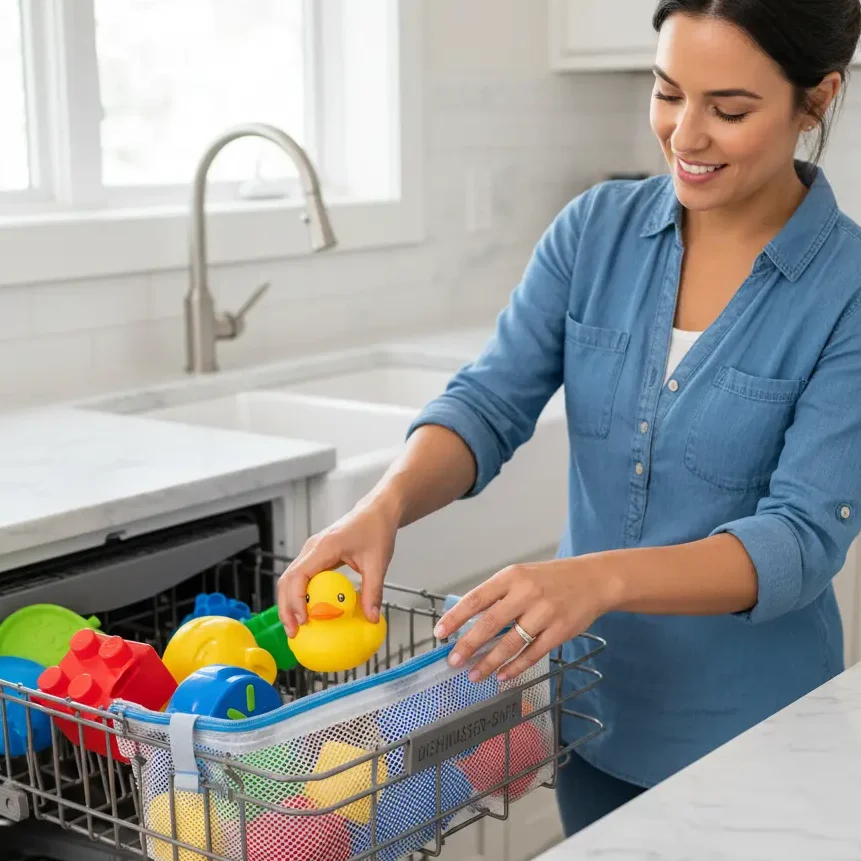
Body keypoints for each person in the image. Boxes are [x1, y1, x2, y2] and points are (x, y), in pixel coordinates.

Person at [279, 0, 861, 838]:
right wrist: (385, 504)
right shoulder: (594, 233)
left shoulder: (844, 288)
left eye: (727, 110)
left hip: (756, 736)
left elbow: (801, 538)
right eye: (667, 93)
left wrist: (597, 576)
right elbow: (487, 400)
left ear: (814, 100)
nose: (684, 136)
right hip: (594, 718)